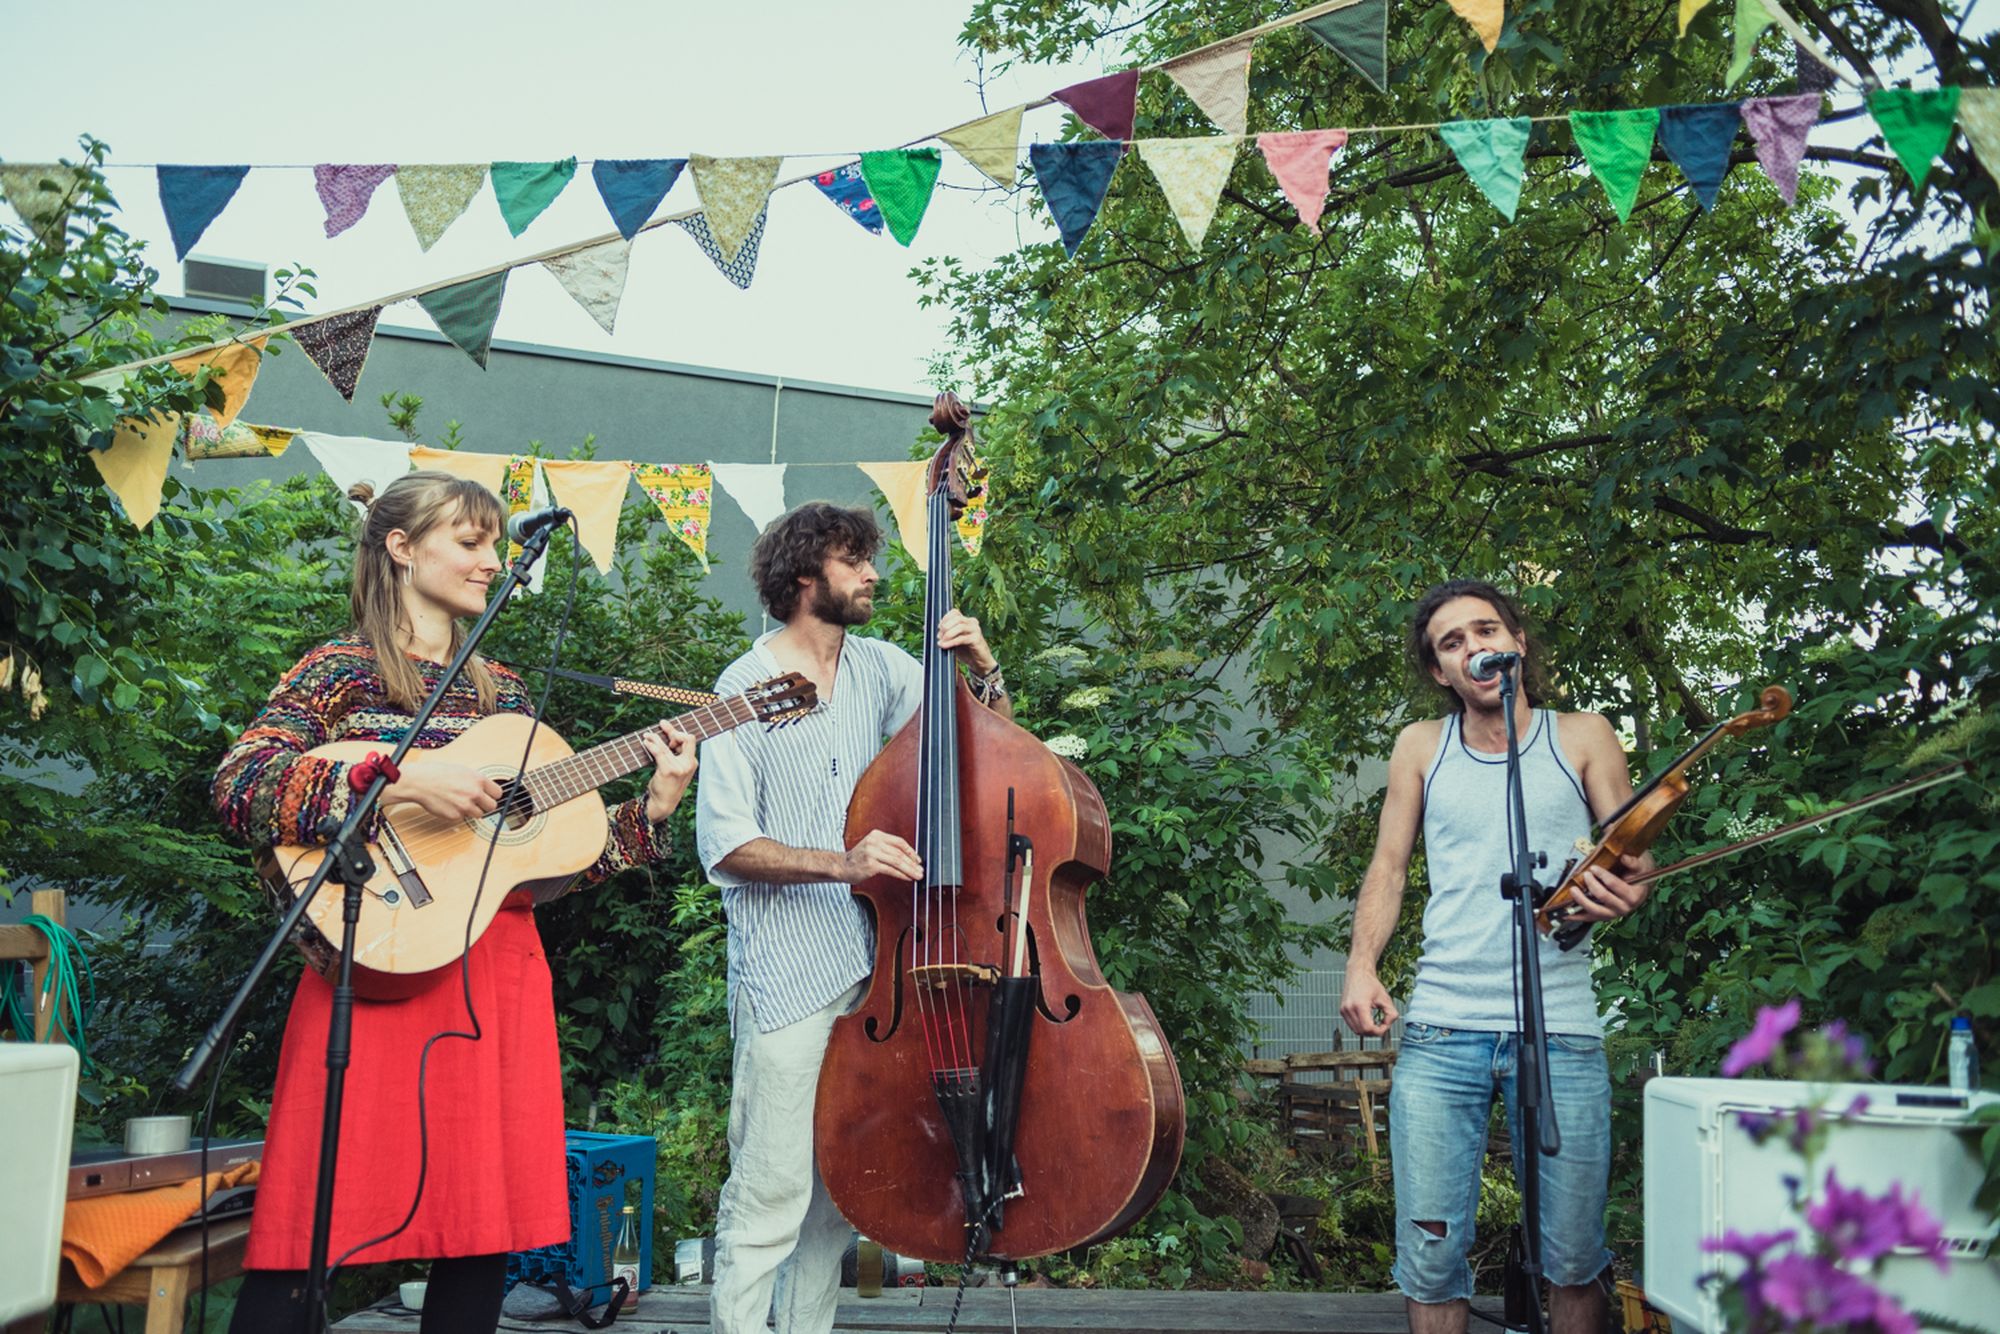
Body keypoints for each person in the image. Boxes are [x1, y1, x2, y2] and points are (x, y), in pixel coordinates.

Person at [212, 471, 698, 1334]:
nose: (490, 560)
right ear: (400, 546)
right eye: (468, 541)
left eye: (492, 543)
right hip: (373, 955)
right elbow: (241, 786)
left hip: (494, 970)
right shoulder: (340, 671)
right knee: (310, 1219)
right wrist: (395, 787)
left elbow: (532, 861)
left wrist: (648, 813)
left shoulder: (502, 693)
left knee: (480, 1226)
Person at [695, 501, 1009, 1334]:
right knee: (770, 1189)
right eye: (852, 560)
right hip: (789, 973)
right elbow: (726, 846)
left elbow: (986, 754)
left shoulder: (882, 667)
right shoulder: (742, 687)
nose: (873, 574)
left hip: (881, 975)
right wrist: (845, 863)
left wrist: (982, 670)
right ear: (804, 578)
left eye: (870, 559)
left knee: (838, 1191)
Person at [1338, 579, 1652, 1334]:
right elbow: (1389, 865)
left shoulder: (1584, 734)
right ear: (1442, 673)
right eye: (1453, 642)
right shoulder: (1420, 746)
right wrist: (1360, 964)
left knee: (1576, 1258)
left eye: (1486, 631)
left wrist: (1627, 888)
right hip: (1444, 1027)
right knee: (1431, 1256)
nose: (1475, 647)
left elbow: (1630, 856)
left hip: (1563, 1029)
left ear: (1518, 643)